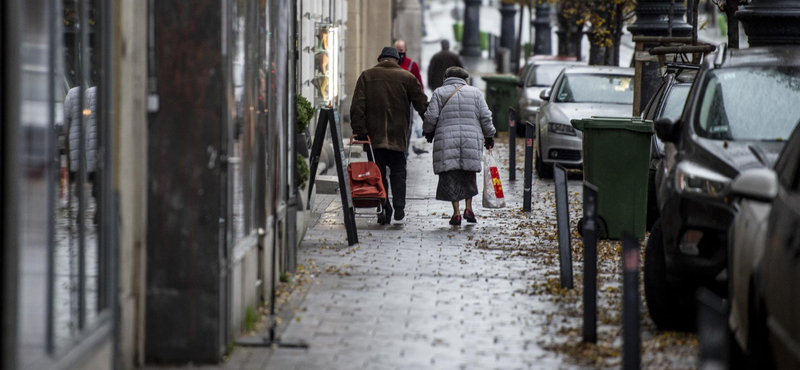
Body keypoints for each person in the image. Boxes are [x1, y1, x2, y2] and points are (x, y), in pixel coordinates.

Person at [350, 46, 428, 225]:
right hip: (397, 136)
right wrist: (430, 127)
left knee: (378, 174)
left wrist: (359, 130)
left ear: (380, 59)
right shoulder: (407, 78)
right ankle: (399, 206)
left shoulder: (367, 76)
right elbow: (422, 104)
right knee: (398, 171)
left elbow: (357, 106)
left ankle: (385, 208)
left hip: (373, 137)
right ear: (397, 61)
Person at [423, 67, 495, 226]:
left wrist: (428, 131)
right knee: (468, 173)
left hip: (447, 139)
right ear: (464, 79)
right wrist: (489, 136)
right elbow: (485, 116)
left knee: (452, 174)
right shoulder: (475, 93)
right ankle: (468, 209)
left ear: (446, 77)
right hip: (470, 139)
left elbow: (431, 116)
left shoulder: (439, 93)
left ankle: (456, 213)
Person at [394, 39, 425, 157]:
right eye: (397, 51)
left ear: (405, 50)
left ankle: (404, 152)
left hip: (407, 103)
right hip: (392, 102)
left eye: (401, 50)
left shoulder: (412, 65)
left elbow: (419, 84)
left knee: (407, 127)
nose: (399, 53)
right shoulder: (391, 65)